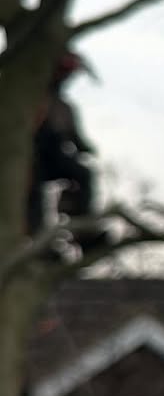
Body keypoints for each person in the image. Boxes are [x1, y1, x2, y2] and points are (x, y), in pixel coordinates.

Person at [27, 51, 107, 251]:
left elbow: (75, 138)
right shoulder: (30, 101)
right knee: (33, 194)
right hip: (31, 160)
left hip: (53, 158)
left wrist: (85, 147)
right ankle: (41, 245)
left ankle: (85, 232)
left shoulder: (63, 107)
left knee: (83, 174)